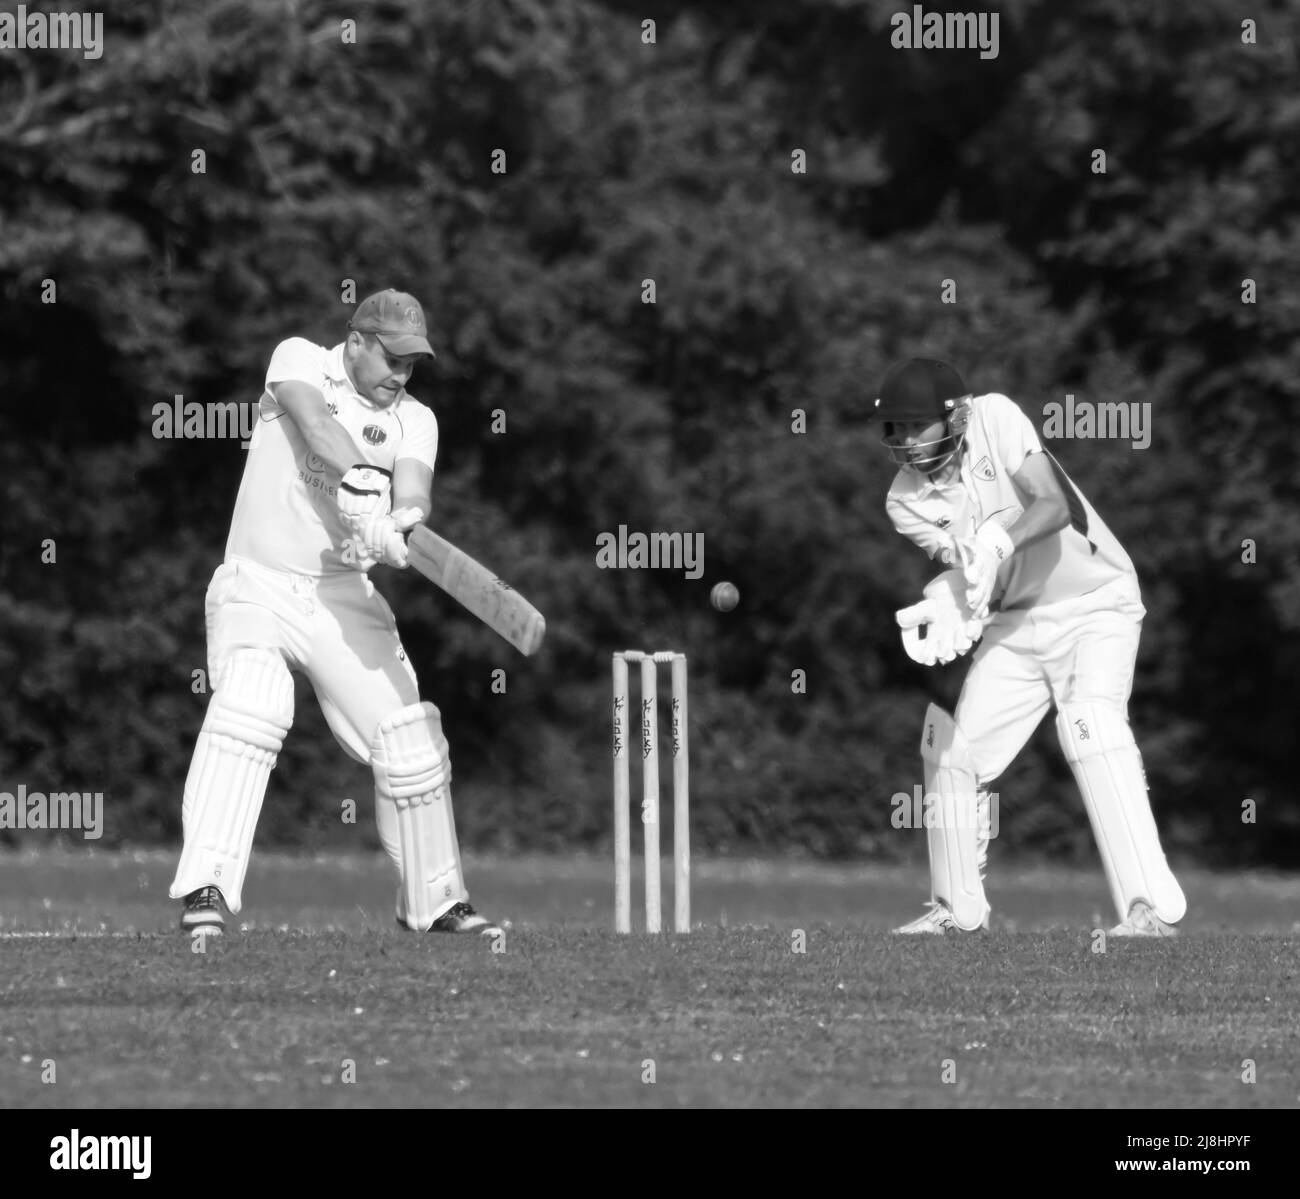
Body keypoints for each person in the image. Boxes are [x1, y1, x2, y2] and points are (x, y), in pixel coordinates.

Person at [169, 288, 500, 937]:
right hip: (257, 581)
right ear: (356, 340)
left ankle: (435, 900)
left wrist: (400, 521)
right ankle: (205, 886)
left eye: (412, 363)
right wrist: (365, 484)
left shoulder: (416, 419)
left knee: (411, 736)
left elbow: (412, 488)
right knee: (253, 703)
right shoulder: (298, 359)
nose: (401, 374)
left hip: (339, 593)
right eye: (391, 358)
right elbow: (318, 429)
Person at [872, 357, 1185, 936]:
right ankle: (956, 912)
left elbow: (1052, 505)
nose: (903, 440)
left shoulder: (996, 417)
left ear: (956, 417)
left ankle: (1150, 911)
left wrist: (995, 541)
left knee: (1090, 725)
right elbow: (968, 568)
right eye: (892, 428)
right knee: (954, 751)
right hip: (1018, 621)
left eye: (914, 425)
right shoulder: (905, 502)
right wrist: (951, 594)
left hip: (1096, 601)